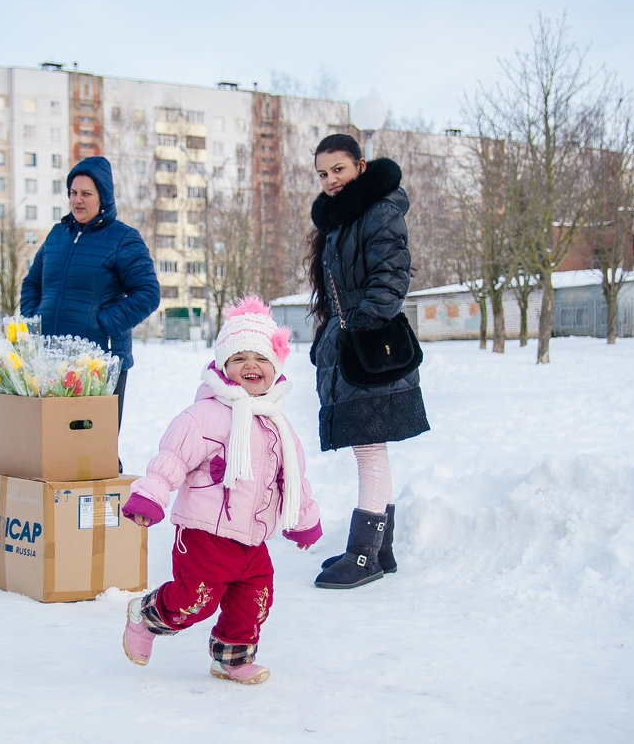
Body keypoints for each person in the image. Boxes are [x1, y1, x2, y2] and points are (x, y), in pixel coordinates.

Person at [119, 296, 321, 684]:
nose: (251, 366)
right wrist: (150, 495)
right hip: (205, 535)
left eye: (261, 358)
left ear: (275, 367)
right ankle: (145, 616)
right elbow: (172, 460)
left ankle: (231, 658)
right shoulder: (204, 416)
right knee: (194, 602)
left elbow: (293, 479)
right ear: (224, 366)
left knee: (254, 601)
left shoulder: (279, 424)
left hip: (252, 539)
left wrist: (304, 521)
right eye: (239, 358)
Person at [306, 134, 429, 590]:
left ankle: (364, 556)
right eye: (322, 173)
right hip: (355, 344)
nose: (330, 180)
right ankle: (382, 547)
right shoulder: (343, 219)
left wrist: (356, 328)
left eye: (338, 169)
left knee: (369, 449)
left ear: (360, 165)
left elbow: (391, 279)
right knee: (368, 447)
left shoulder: (379, 211)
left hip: (370, 348)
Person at [20, 156, 160, 442]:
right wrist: (34, 321)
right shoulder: (58, 235)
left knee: (93, 448)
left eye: (86, 193)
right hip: (51, 360)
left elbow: (148, 293)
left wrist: (102, 323)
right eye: (73, 193)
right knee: (55, 446)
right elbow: (32, 283)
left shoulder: (123, 238)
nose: (77, 200)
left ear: (103, 197)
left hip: (98, 364)